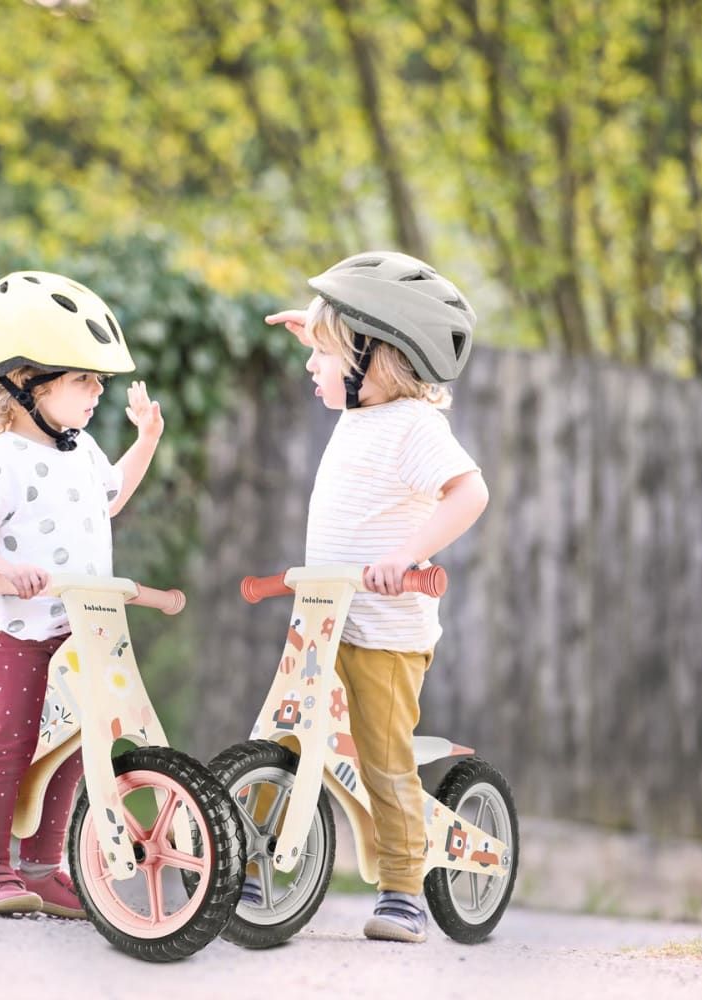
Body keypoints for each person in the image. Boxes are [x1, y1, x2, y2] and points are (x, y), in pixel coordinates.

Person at [265, 251, 489, 943]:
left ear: (374, 358)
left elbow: (470, 493)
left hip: (385, 631)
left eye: (324, 354)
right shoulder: (363, 408)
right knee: (285, 735)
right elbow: (348, 370)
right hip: (325, 620)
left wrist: (406, 555)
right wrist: (321, 333)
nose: (311, 365)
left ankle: (403, 891)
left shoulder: (414, 425)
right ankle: (254, 858)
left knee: (383, 760)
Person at [0, 270, 164, 916]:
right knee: (12, 745)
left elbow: (111, 498)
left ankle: (42, 868)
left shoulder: (84, 450)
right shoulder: (4, 460)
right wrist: (4, 569)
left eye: (98, 379)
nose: (99, 390)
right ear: (28, 384)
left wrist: (147, 440)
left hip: (79, 631)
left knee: (75, 744)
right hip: (17, 633)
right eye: (83, 378)